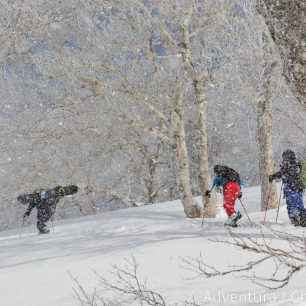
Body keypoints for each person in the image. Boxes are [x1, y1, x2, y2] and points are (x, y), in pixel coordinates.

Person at [269, 149, 306, 227]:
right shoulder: (297, 163)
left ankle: (295, 220)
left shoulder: (287, 163)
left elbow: (282, 173)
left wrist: (273, 176)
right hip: (298, 188)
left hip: (291, 188)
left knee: (292, 205)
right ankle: (303, 219)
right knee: (299, 204)